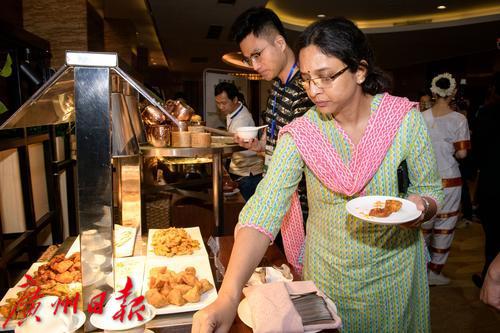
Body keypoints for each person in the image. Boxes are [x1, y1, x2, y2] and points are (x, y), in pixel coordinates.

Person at [192, 17, 443, 333]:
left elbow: (430, 188)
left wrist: (422, 207)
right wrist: (228, 295)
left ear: (360, 71)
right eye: (308, 79)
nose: (313, 90)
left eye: (325, 77)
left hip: (395, 275)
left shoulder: (403, 121)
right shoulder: (303, 133)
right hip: (329, 275)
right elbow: (264, 210)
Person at [229, 7, 314, 248]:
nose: (254, 65)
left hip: (303, 211)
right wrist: (260, 147)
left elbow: (302, 162)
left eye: (257, 54)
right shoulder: (277, 87)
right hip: (280, 205)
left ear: (279, 42)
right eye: (249, 59)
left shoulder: (307, 90)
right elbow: (281, 149)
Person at [421, 73, 470, 286]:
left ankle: (419, 272)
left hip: (424, 180)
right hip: (450, 179)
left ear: (433, 92)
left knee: (422, 228)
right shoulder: (459, 120)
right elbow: (462, 154)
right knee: (445, 227)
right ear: (453, 93)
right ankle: (434, 272)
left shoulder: (420, 117)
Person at [471, 72, 500, 288]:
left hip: (493, 183)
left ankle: (489, 274)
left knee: (492, 236)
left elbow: (477, 152)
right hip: (492, 181)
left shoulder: (487, 114)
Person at [214, 82, 263, 201]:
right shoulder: (232, 111)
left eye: (224, 103)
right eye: (218, 103)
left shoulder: (242, 119)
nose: (221, 107)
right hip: (240, 169)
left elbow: (232, 147)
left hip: (248, 174)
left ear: (235, 99)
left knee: (246, 210)